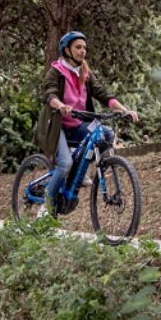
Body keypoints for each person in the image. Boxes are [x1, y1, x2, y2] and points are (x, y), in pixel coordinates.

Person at [33, 31, 138, 216]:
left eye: (84, 48)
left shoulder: (85, 73)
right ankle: (46, 206)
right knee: (64, 163)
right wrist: (60, 106)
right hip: (57, 127)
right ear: (67, 50)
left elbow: (103, 94)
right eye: (78, 47)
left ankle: (86, 170)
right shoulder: (56, 71)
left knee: (106, 133)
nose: (83, 51)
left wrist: (124, 110)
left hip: (78, 123)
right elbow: (49, 93)